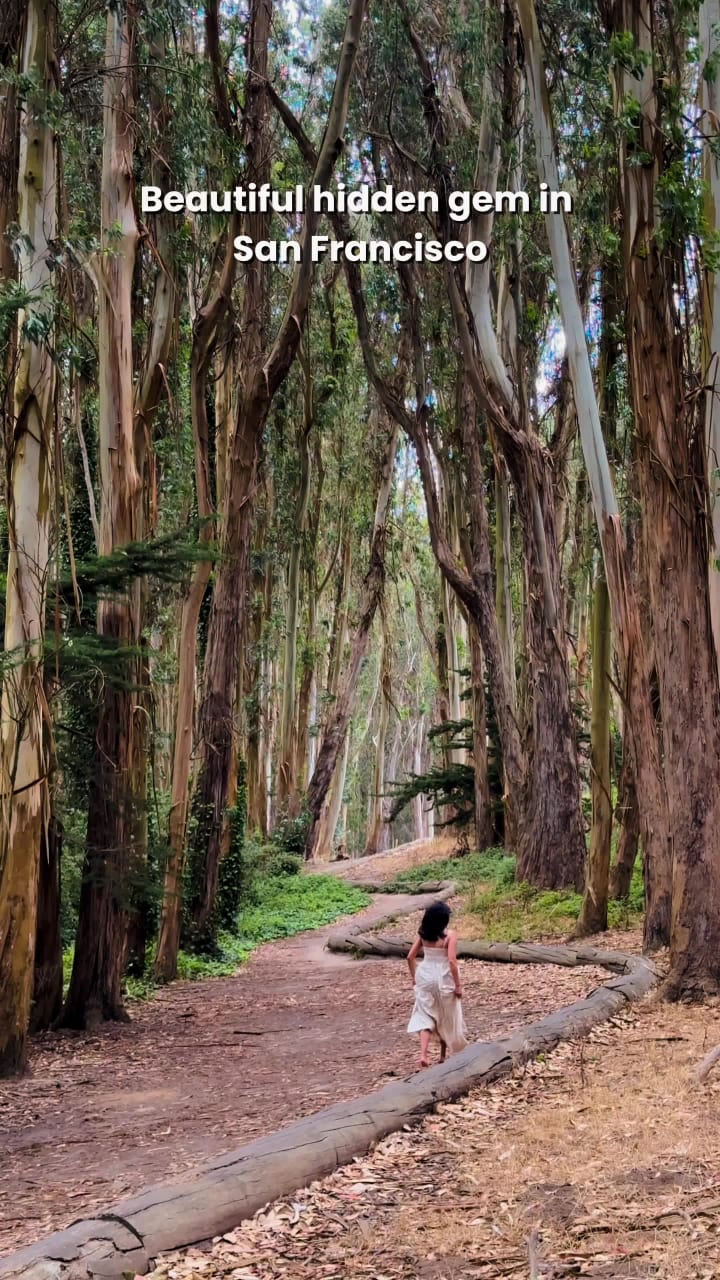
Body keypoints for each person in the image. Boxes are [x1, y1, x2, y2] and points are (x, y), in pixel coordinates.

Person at [406, 900, 467, 1069]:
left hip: (425, 975)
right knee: (446, 1015)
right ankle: (445, 1054)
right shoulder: (449, 936)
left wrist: (415, 977)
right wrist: (458, 985)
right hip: (443, 978)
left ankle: (424, 1054)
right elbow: (452, 962)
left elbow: (410, 957)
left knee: (426, 1015)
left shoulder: (423, 934)